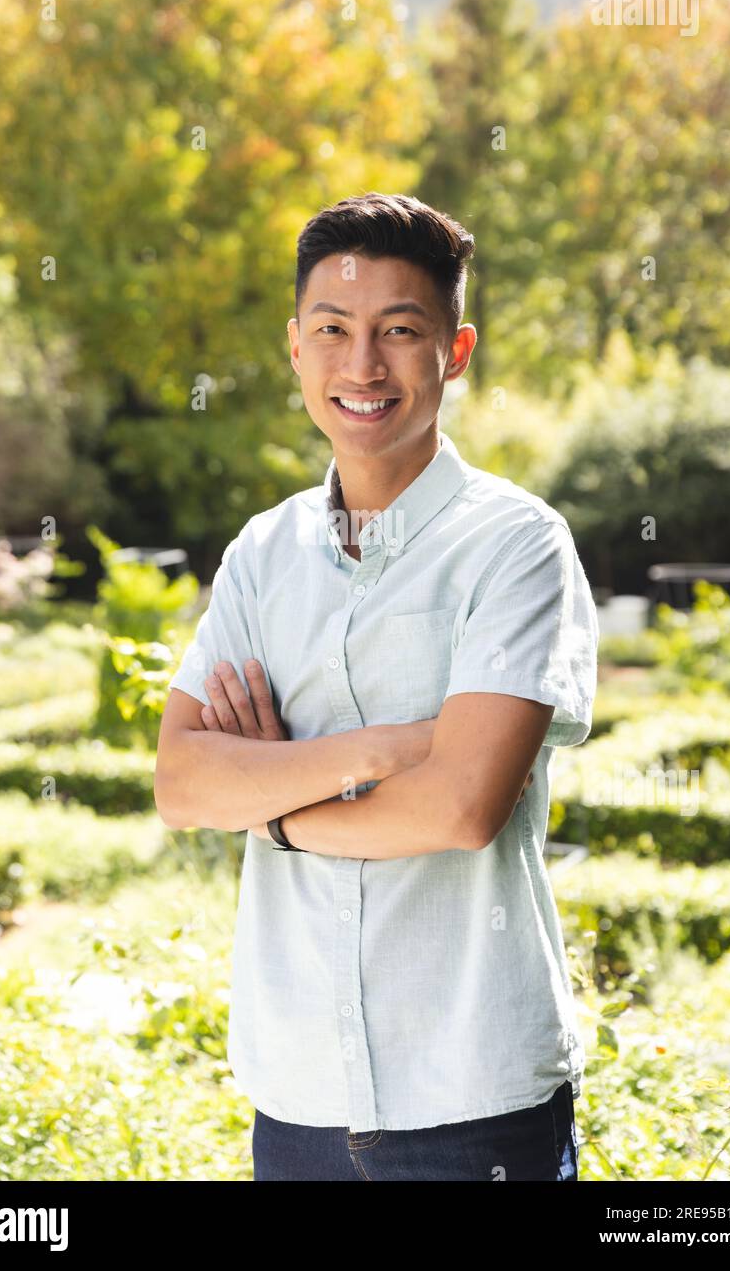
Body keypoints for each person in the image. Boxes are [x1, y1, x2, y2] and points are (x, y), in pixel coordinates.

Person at [154, 192, 598, 1181]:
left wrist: (271, 801)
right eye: (334, 331)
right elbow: (184, 783)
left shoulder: (517, 547)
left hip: (475, 1105)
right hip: (297, 1104)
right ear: (297, 348)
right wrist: (378, 750)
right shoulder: (262, 554)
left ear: (457, 349)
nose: (364, 365)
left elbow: (461, 805)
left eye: (401, 331)